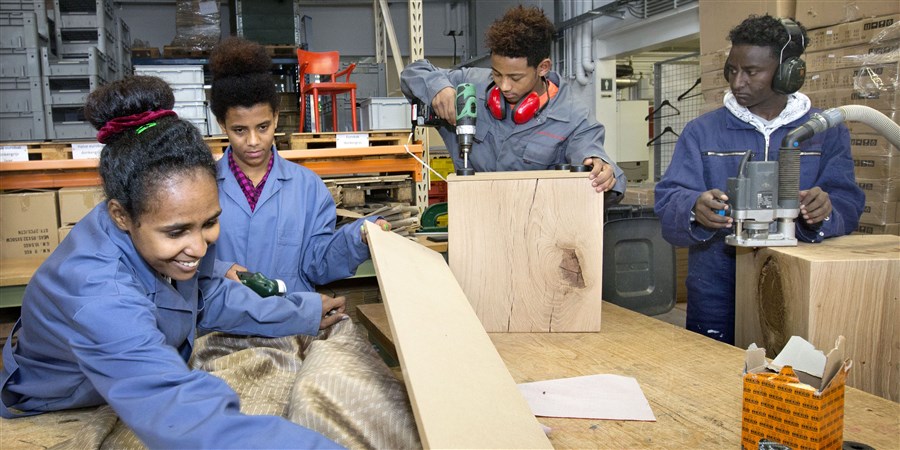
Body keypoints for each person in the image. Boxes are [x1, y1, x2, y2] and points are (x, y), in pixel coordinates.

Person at [0, 76, 344, 448]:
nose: (199, 248)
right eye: (177, 232)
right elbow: (183, 418)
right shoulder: (96, 292)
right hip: (63, 404)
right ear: (120, 215)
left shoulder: (149, 230)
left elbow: (205, 297)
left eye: (210, 223)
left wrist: (303, 310)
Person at [654, 14, 864, 344]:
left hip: (798, 292)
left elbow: (848, 203)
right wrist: (694, 208)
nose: (737, 82)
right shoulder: (702, 132)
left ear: (787, 74)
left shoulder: (825, 132)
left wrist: (826, 209)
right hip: (716, 293)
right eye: (732, 70)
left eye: (752, 72)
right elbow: (668, 199)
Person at [207, 37, 387, 303]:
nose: (254, 141)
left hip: (290, 320)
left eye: (263, 127)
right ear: (223, 124)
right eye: (239, 130)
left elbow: (318, 263)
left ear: (277, 117)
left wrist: (358, 238)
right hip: (223, 322)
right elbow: (182, 257)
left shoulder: (307, 187)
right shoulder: (203, 186)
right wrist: (220, 270)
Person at [400, 5, 626, 199]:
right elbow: (413, 73)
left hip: (535, 230)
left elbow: (591, 153)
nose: (504, 86)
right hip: (473, 220)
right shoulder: (469, 87)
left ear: (543, 67)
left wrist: (602, 168)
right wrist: (439, 89)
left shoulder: (573, 116)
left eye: (515, 77)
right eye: (497, 74)